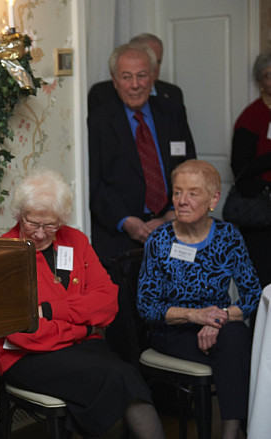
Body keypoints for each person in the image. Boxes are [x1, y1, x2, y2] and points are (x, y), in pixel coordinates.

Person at [0, 169, 165, 439]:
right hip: (27, 359)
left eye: (50, 225)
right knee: (121, 378)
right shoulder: (4, 253)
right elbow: (22, 332)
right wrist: (83, 328)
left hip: (83, 348)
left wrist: (52, 312)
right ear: (19, 215)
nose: (39, 234)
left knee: (121, 379)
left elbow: (107, 302)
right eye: (32, 223)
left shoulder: (75, 240)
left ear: (61, 219)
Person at [138, 159, 262, 439]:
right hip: (172, 331)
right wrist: (196, 316)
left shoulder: (228, 236)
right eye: (178, 192)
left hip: (218, 328)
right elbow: (147, 305)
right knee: (235, 344)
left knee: (234, 334)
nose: (182, 201)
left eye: (193, 193)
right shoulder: (159, 240)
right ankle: (237, 432)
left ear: (213, 199)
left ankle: (229, 432)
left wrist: (216, 318)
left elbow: (253, 293)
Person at [88, 42, 196, 264]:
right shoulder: (98, 120)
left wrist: (173, 213)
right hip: (118, 238)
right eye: (127, 77)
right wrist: (126, 221)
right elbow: (94, 182)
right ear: (115, 79)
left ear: (153, 76)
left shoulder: (172, 111)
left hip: (173, 229)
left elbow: (190, 168)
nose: (135, 85)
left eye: (142, 75)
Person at [230, 52, 271, 289]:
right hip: (261, 215)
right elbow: (241, 169)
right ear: (259, 81)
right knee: (263, 285)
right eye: (268, 75)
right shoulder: (252, 116)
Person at [88, 33, 184, 112]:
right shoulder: (101, 94)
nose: (155, 68)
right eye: (126, 77)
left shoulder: (172, 94)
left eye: (158, 62)